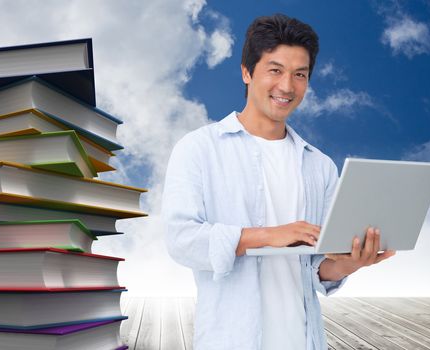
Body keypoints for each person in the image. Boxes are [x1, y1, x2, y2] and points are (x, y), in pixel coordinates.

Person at [162, 13, 395, 350]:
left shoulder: (320, 166)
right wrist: (270, 236)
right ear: (246, 71)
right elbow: (181, 239)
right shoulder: (198, 149)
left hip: (304, 339)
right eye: (275, 70)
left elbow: (317, 268)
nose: (287, 86)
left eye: (299, 74)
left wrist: (351, 262)